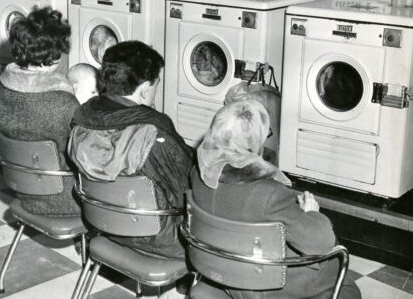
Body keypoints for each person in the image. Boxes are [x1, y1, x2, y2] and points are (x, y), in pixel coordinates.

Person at [192, 100, 361, 299]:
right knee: (344, 281)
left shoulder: (197, 174)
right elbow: (320, 243)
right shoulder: (268, 193)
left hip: (218, 271)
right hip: (265, 286)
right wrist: (311, 213)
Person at [69, 40, 193, 259]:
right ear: (145, 89)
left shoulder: (81, 119)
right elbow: (185, 189)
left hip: (101, 222)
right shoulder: (153, 132)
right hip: (157, 236)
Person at [0, 6, 81, 217]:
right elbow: (82, 155)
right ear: (56, 53)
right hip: (66, 197)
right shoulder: (62, 102)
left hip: (21, 189)